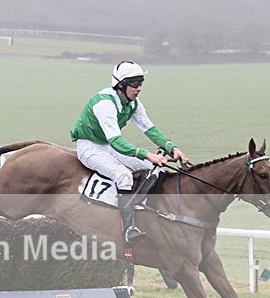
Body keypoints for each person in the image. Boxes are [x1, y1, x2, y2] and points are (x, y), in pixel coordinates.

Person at [70, 61, 189, 245]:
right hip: (89, 147)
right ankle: (128, 230)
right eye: (134, 84)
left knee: (154, 168)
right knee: (124, 176)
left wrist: (172, 148)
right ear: (120, 85)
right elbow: (115, 140)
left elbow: (149, 129)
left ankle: (151, 216)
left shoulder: (133, 103)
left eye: (141, 83)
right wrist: (147, 154)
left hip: (107, 146)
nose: (139, 88)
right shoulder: (104, 103)